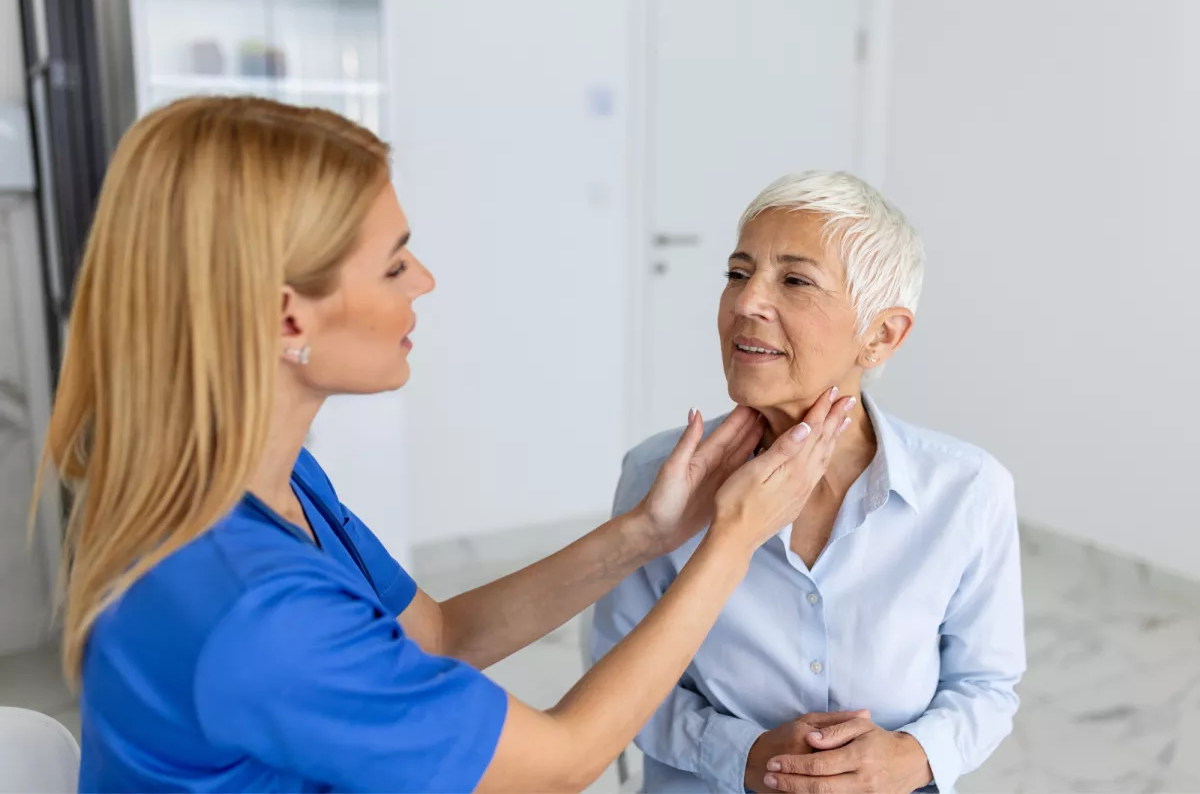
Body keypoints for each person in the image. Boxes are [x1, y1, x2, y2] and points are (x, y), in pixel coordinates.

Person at [39, 96, 859, 793]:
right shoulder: (252, 608)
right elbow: (561, 762)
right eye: (395, 265)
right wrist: (733, 539)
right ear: (291, 316)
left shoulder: (262, 479)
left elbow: (435, 637)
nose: (424, 280)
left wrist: (649, 533)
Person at [592, 171, 1025, 794]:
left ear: (881, 336)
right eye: (738, 273)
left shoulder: (968, 490)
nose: (746, 302)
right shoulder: (656, 479)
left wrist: (911, 758)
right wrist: (740, 755)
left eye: (794, 280)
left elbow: (987, 686)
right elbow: (615, 688)